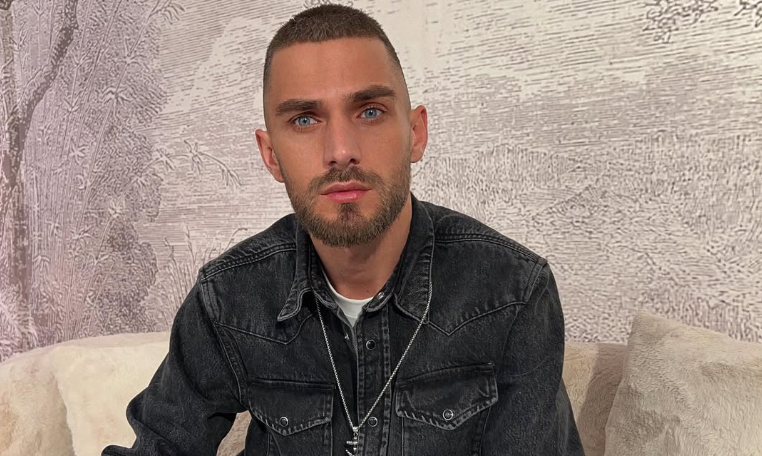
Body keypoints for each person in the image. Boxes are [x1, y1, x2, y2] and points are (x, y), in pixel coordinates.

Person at [103, 4, 584, 456]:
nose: (340, 150)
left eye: (370, 111)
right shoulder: (229, 297)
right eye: (305, 119)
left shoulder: (511, 291)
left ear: (415, 133)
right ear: (271, 155)